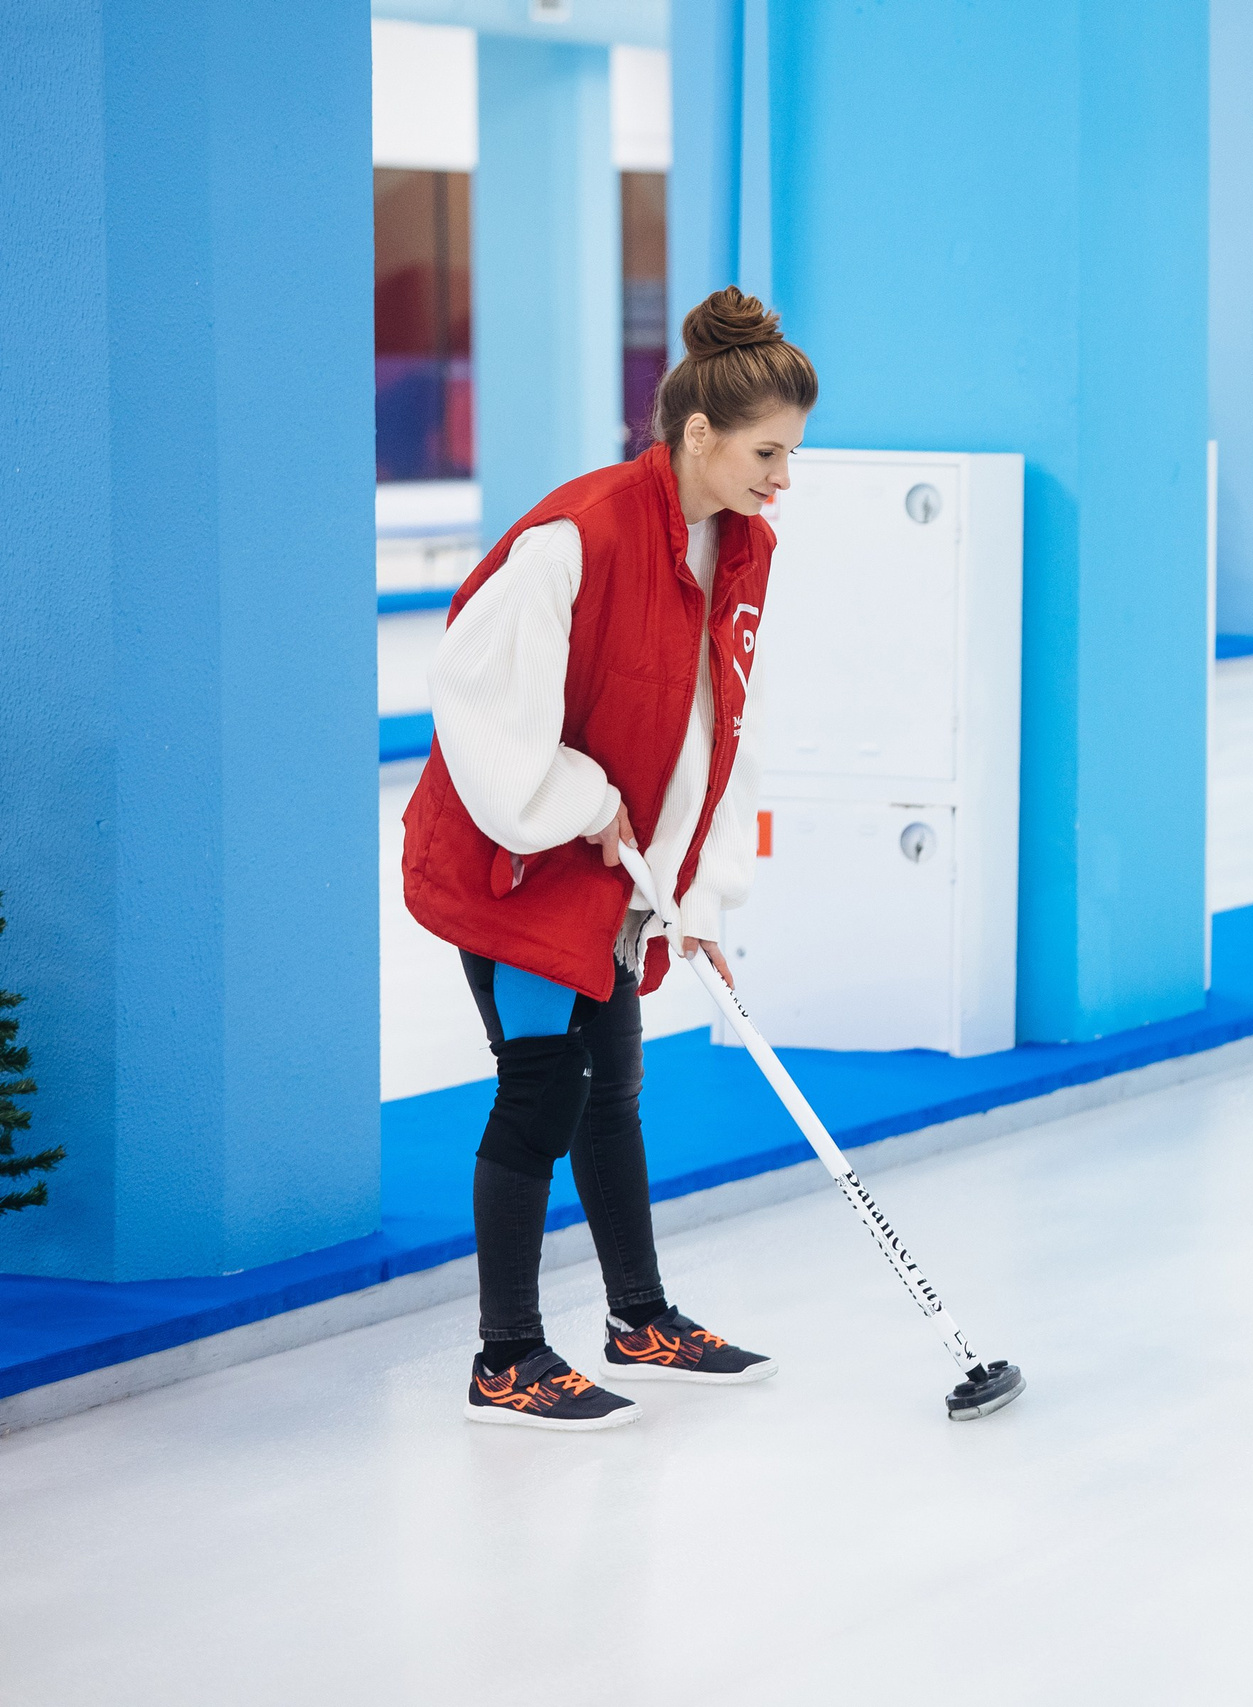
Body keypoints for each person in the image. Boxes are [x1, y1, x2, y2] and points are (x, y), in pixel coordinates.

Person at [402, 287, 817, 1431]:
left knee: (614, 1091)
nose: (783, 478)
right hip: (521, 852)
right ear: (698, 435)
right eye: (767, 453)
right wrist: (576, 797)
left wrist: (700, 893)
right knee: (542, 1090)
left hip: (625, 864)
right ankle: (507, 1358)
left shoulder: (743, 548)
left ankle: (639, 1318)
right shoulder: (574, 535)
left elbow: (719, 725)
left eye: (792, 455)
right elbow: (475, 702)